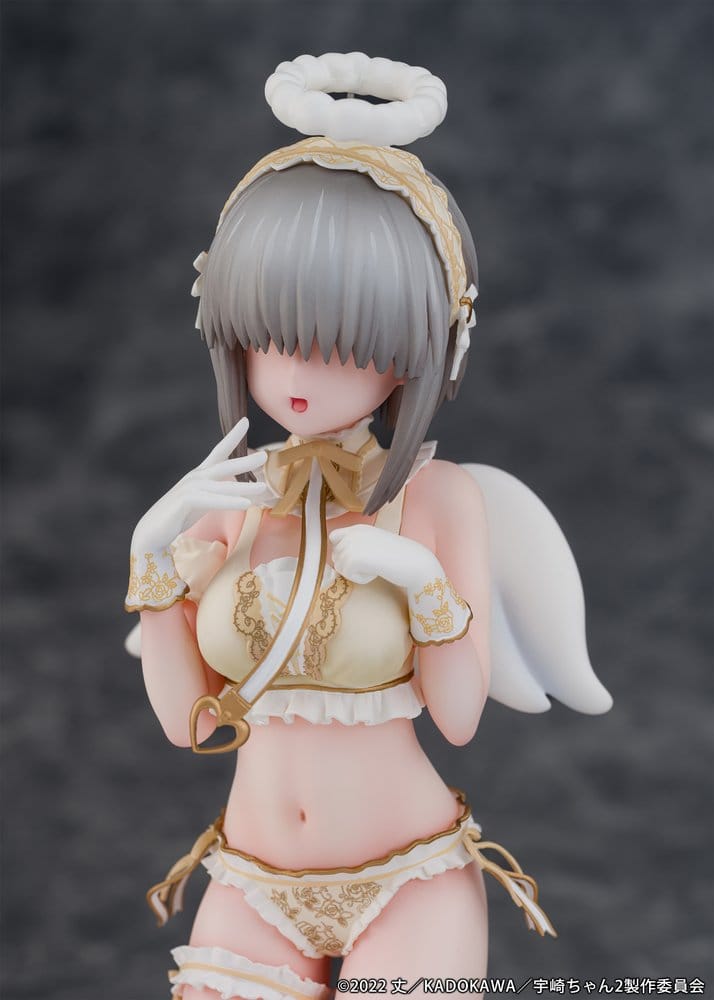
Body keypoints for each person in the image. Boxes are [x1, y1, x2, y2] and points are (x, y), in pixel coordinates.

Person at [124, 54, 612, 1000]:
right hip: (251, 877)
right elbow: (189, 723)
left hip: (409, 879)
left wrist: (421, 582)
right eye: (268, 337)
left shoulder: (436, 499)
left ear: (415, 355)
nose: (294, 374)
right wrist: (150, 562)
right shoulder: (230, 498)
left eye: (339, 345)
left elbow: (460, 720)